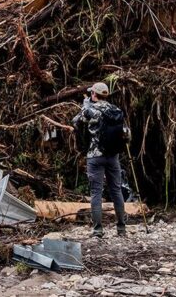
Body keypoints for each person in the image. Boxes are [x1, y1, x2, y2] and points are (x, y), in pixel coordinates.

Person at [72, 82, 127, 238]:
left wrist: (85, 107)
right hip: (113, 156)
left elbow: (75, 122)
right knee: (116, 191)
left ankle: (98, 230)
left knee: (96, 192)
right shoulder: (116, 110)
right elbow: (125, 132)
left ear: (94, 95)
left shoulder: (91, 110)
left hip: (95, 156)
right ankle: (121, 228)